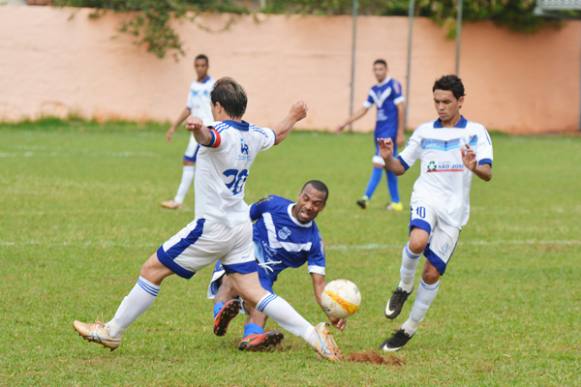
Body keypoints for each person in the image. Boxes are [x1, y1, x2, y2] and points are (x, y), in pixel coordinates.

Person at [73, 77, 341, 361]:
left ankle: (112, 331)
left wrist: (199, 129)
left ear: (217, 106)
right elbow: (277, 134)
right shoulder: (252, 134)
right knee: (255, 292)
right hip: (240, 229)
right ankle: (315, 336)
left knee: (151, 270)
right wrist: (294, 115)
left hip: (212, 228)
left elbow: (211, 139)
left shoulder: (218, 130)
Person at [377, 75, 493, 351]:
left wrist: (474, 165)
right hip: (426, 197)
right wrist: (387, 158)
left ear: (460, 101)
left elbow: (487, 173)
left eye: (446, 102)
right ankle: (404, 287)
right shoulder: (424, 132)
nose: (440, 107)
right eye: (436, 102)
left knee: (430, 274)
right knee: (417, 241)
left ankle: (408, 329)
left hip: (454, 211)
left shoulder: (476, 132)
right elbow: (400, 167)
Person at [208, 181, 347, 351]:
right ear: (299, 196)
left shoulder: (314, 242)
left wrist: (331, 312)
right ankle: (220, 314)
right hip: (240, 256)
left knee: (265, 303)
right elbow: (239, 218)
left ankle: (252, 336)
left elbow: (319, 284)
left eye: (316, 204)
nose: (309, 206)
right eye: (306, 199)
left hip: (264, 277)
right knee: (231, 280)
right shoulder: (271, 204)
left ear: (323, 207)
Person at [336, 59, 406, 211]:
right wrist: (345, 123)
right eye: (375, 69)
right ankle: (396, 203)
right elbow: (363, 109)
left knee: (378, 163)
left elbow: (401, 108)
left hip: (389, 133)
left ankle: (365, 198)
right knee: (390, 167)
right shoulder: (374, 89)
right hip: (379, 132)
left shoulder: (394, 85)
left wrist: (400, 132)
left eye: (381, 69)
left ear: (386, 69)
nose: (378, 72)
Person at [161, 54, 215, 210]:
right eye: (197, 65)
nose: (200, 68)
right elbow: (188, 108)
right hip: (195, 130)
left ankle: (178, 201)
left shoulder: (212, 85)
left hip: (206, 129)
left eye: (203, 65)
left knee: (192, 161)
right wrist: (174, 126)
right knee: (195, 163)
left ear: (207, 66)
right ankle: (180, 201)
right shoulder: (194, 85)